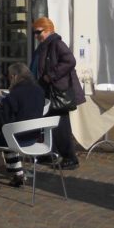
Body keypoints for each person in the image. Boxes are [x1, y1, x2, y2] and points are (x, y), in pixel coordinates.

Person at [0, 63, 47, 188]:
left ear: (14, 77)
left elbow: (4, 121)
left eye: (10, 77)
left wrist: (1, 107)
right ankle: (18, 175)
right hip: (33, 137)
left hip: (18, 137)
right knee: (8, 136)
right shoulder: (39, 91)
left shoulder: (14, 95)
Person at [31, 17, 83, 170]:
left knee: (60, 126)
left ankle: (70, 157)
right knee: (47, 124)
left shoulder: (56, 43)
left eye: (38, 32)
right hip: (47, 91)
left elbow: (70, 61)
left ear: (48, 30)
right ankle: (50, 152)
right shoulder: (44, 45)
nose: (36, 35)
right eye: (34, 32)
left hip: (57, 93)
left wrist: (50, 76)